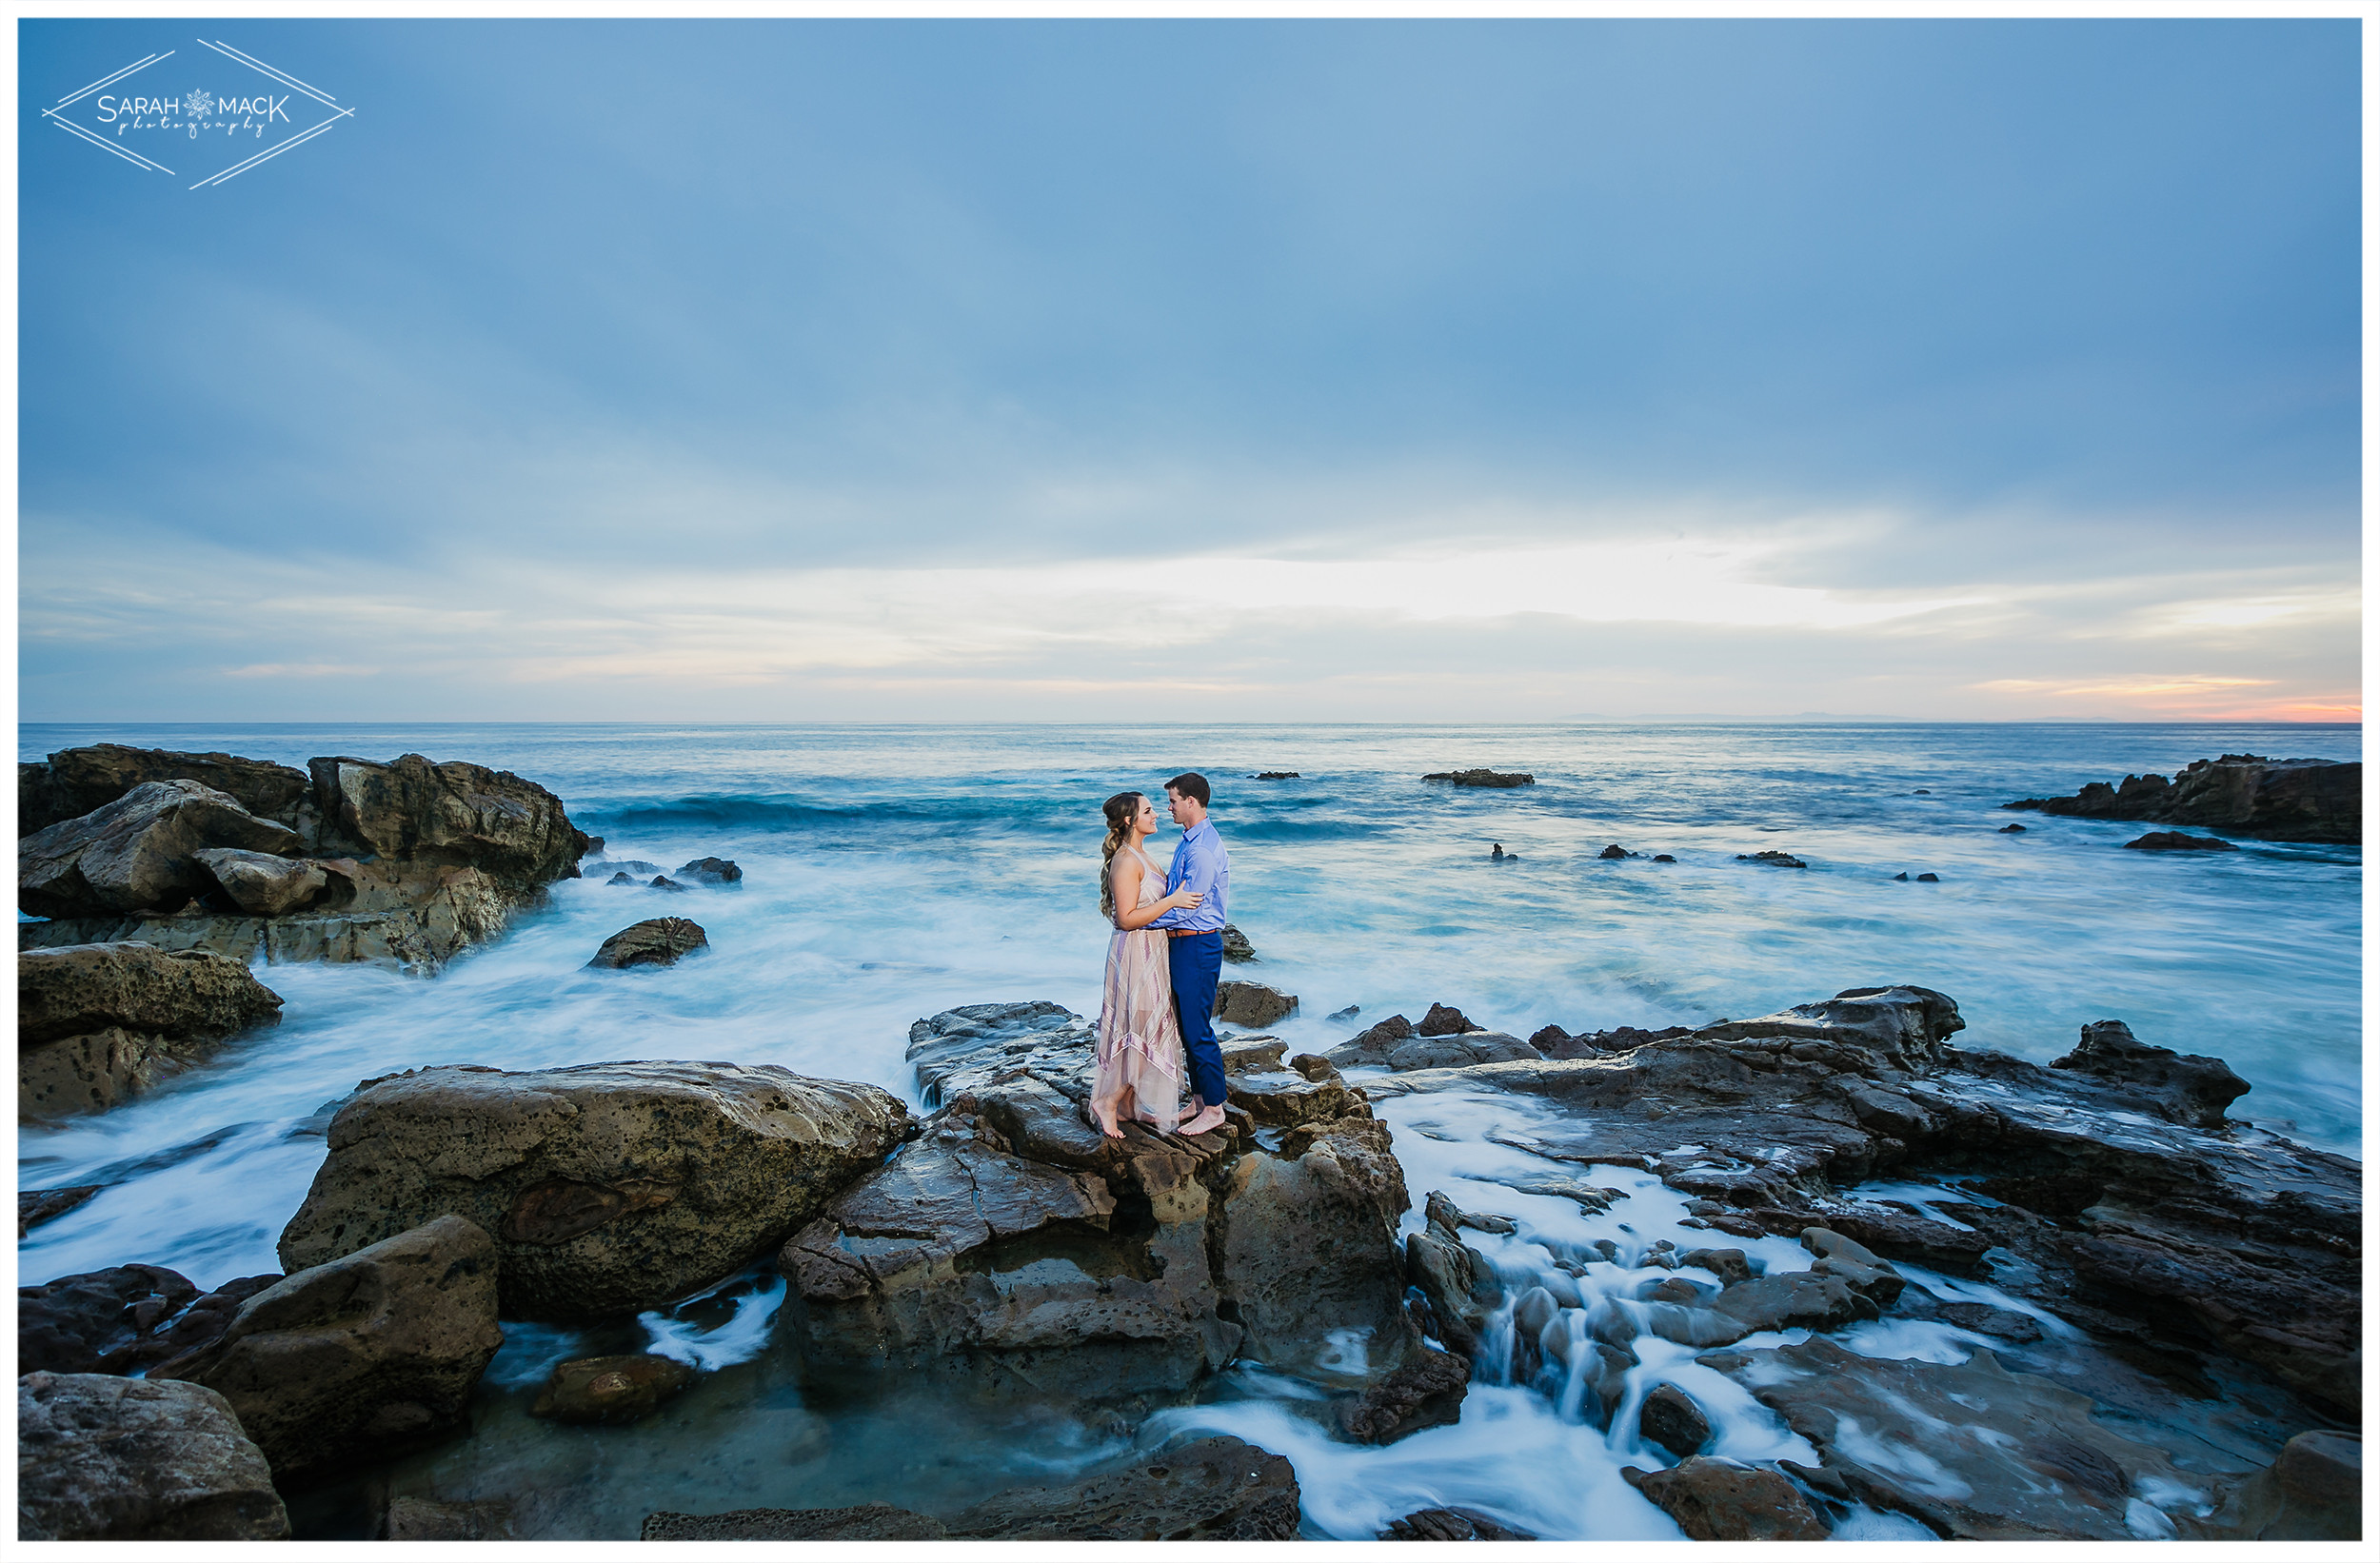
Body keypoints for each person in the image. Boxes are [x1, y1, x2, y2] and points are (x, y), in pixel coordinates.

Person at [1091, 790, 1203, 1138]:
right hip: (1135, 951)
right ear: (1129, 820)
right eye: (1148, 811)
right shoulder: (1126, 861)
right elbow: (1125, 918)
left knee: (1145, 1024)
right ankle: (1108, 1101)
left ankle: (1127, 1105)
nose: (1157, 815)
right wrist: (1173, 901)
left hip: (1153, 949)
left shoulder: (1144, 856)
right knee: (1140, 1026)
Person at [1149, 771, 1231, 1136]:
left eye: (1173, 801)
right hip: (1184, 942)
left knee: (1198, 1030)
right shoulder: (1190, 839)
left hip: (1197, 943)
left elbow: (1188, 906)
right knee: (1186, 1027)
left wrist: (1138, 922)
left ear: (1191, 802)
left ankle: (1215, 1108)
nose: (1169, 808)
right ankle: (1199, 1100)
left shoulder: (1201, 849)